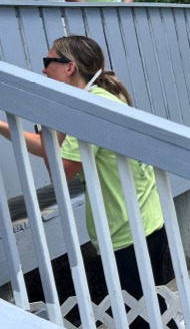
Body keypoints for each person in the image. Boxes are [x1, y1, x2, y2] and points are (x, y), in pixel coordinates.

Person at [0, 36, 170, 329]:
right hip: (147, 223)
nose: (43, 70)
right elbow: (50, 147)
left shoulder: (86, 109)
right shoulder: (102, 97)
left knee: (141, 319)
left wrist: (46, 121)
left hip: (125, 234)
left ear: (69, 67)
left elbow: (59, 172)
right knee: (153, 312)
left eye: (48, 62)